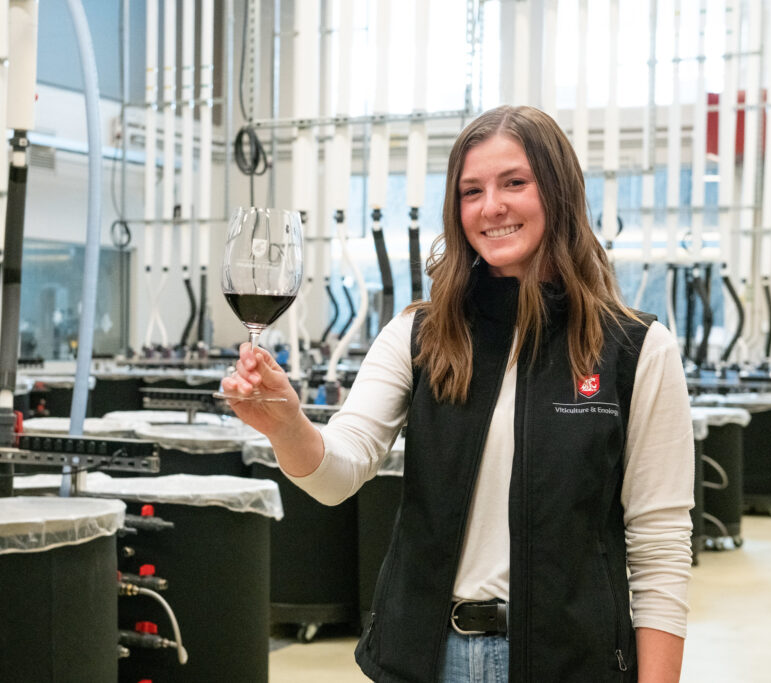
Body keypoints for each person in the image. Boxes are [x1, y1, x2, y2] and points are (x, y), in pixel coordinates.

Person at [221, 105, 694, 683]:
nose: (491, 206)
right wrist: (287, 424)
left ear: (560, 191)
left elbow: (661, 545)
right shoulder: (418, 335)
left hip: (571, 662)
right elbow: (337, 473)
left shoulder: (636, 350)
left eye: (514, 183)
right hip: (426, 658)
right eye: (471, 191)